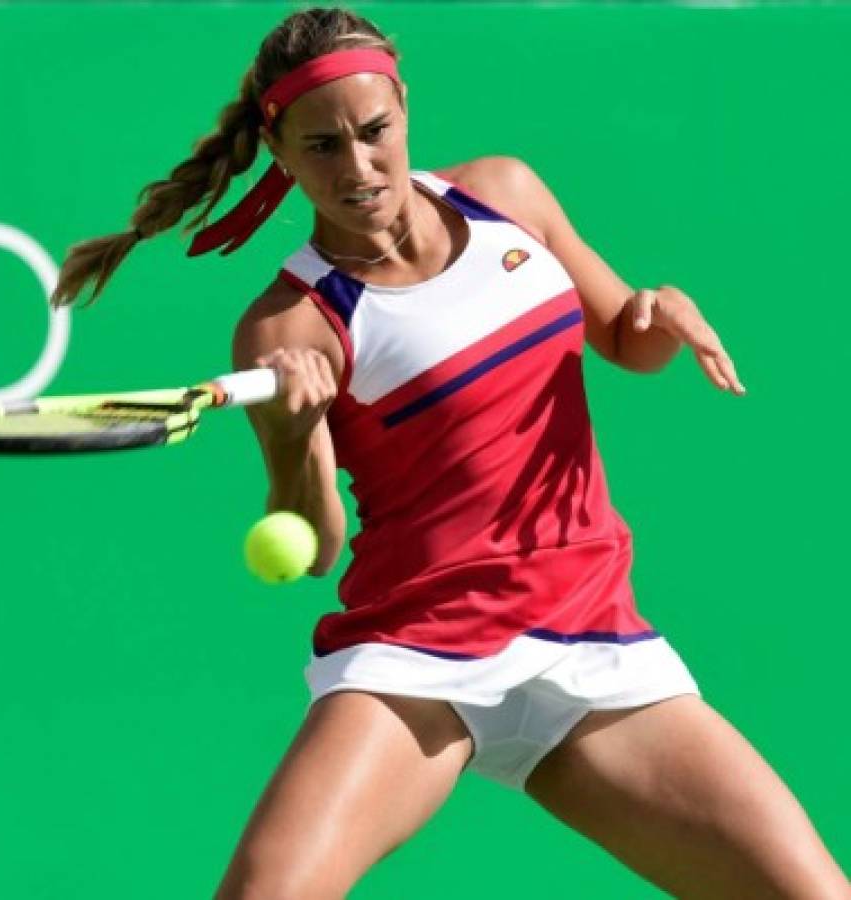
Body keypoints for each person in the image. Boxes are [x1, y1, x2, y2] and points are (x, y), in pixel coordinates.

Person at [51, 7, 849, 898]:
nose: (356, 167)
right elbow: (312, 545)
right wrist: (288, 433)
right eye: (321, 148)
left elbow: (623, 334)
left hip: (590, 632)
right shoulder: (289, 323)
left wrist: (661, 314)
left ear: (401, 105)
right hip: (417, 660)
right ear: (279, 154)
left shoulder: (506, 194)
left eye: (372, 132)